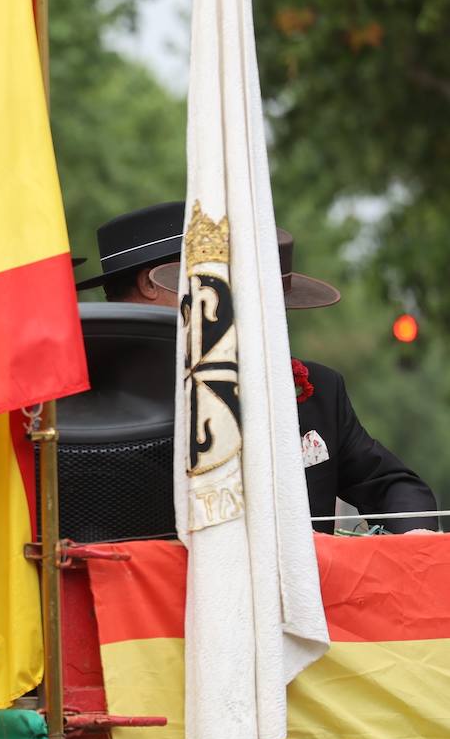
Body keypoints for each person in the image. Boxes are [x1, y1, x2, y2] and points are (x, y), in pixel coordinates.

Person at [78, 203, 439, 533]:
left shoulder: (318, 389)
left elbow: (393, 485)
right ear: (152, 282)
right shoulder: (94, 394)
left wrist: (416, 537)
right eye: (213, 275)